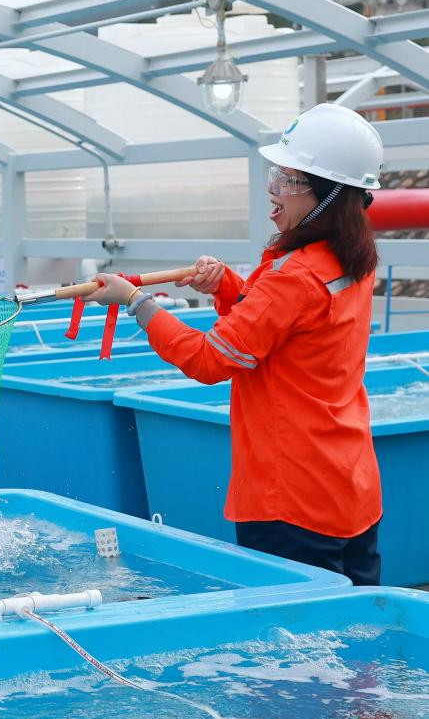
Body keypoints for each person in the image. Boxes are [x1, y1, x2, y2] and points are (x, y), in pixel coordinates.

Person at [81, 103, 383, 585]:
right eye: (277, 175)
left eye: (289, 179)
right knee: (356, 634)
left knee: (296, 649)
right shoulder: (352, 262)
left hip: (292, 498)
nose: (274, 191)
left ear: (329, 196)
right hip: (350, 485)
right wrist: (227, 288)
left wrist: (137, 301)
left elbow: (211, 359)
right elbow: (287, 331)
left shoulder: (295, 276)